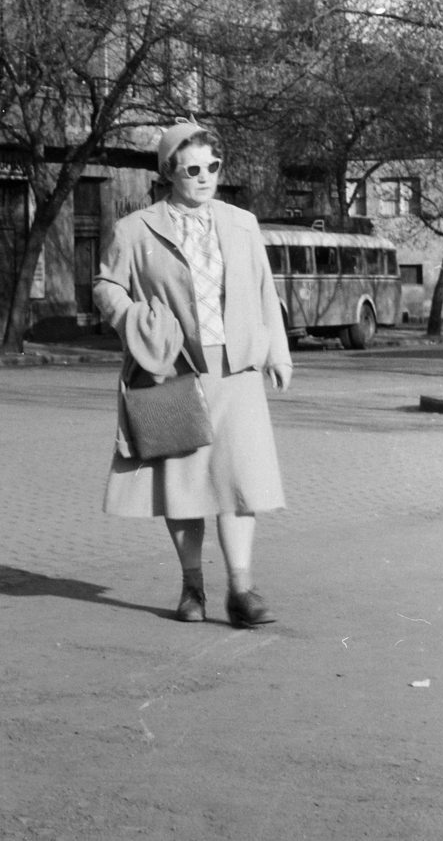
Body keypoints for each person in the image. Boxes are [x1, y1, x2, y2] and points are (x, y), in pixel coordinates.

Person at [96, 122, 293, 628]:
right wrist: (135, 319)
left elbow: (265, 289)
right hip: (173, 369)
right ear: (169, 173)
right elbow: (105, 287)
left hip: (237, 368)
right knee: (183, 485)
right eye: (192, 170)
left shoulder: (242, 223)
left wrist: (278, 353)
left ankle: (242, 591)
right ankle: (192, 587)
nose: (205, 177)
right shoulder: (136, 229)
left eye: (213, 167)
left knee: (238, 481)